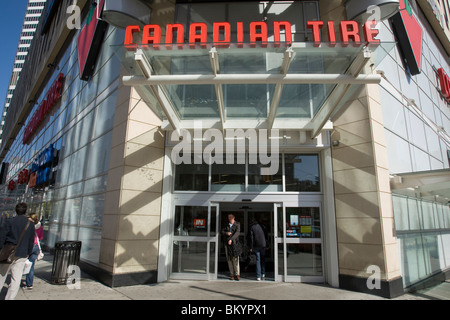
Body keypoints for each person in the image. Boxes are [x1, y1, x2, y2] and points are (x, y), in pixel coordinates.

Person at [0, 203, 35, 300]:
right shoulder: (30, 224)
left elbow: (2, 237)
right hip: (22, 253)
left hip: (7, 253)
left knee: (1, 275)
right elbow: (31, 240)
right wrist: (28, 252)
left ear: (16, 210)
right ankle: (9, 298)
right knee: (16, 279)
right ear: (26, 210)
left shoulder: (9, 221)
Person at [25, 213, 43, 290]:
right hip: (36, 247)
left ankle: (26, 282)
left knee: (24, 264)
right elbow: (41, 237)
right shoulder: (40, 227)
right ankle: (29, 284)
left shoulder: (29, 227)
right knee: (31, 266)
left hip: (29, 246)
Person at [248, 215, 269, 281]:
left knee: (258, 260)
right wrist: (267, 245)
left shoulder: (252, 227)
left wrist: (251, 247)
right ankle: (263, 273)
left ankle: (258, 276)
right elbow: (266, 237)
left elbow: (251, 238)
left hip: (256, 245)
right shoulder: (263, 226)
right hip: (263, 245)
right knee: (263, 259)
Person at [221, 213, 241, 280]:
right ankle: (232, 274)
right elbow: (222, 231)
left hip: (235, 244)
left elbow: (237, 233)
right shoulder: (226, 225)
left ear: (234, 218)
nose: (230, 220)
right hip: (228, 245)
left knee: (235, 259)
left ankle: (237, 274)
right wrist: (226, 233)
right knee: (229, 260)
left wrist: (231, 239)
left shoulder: (237, 224)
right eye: (229, 218)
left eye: (231, 218)